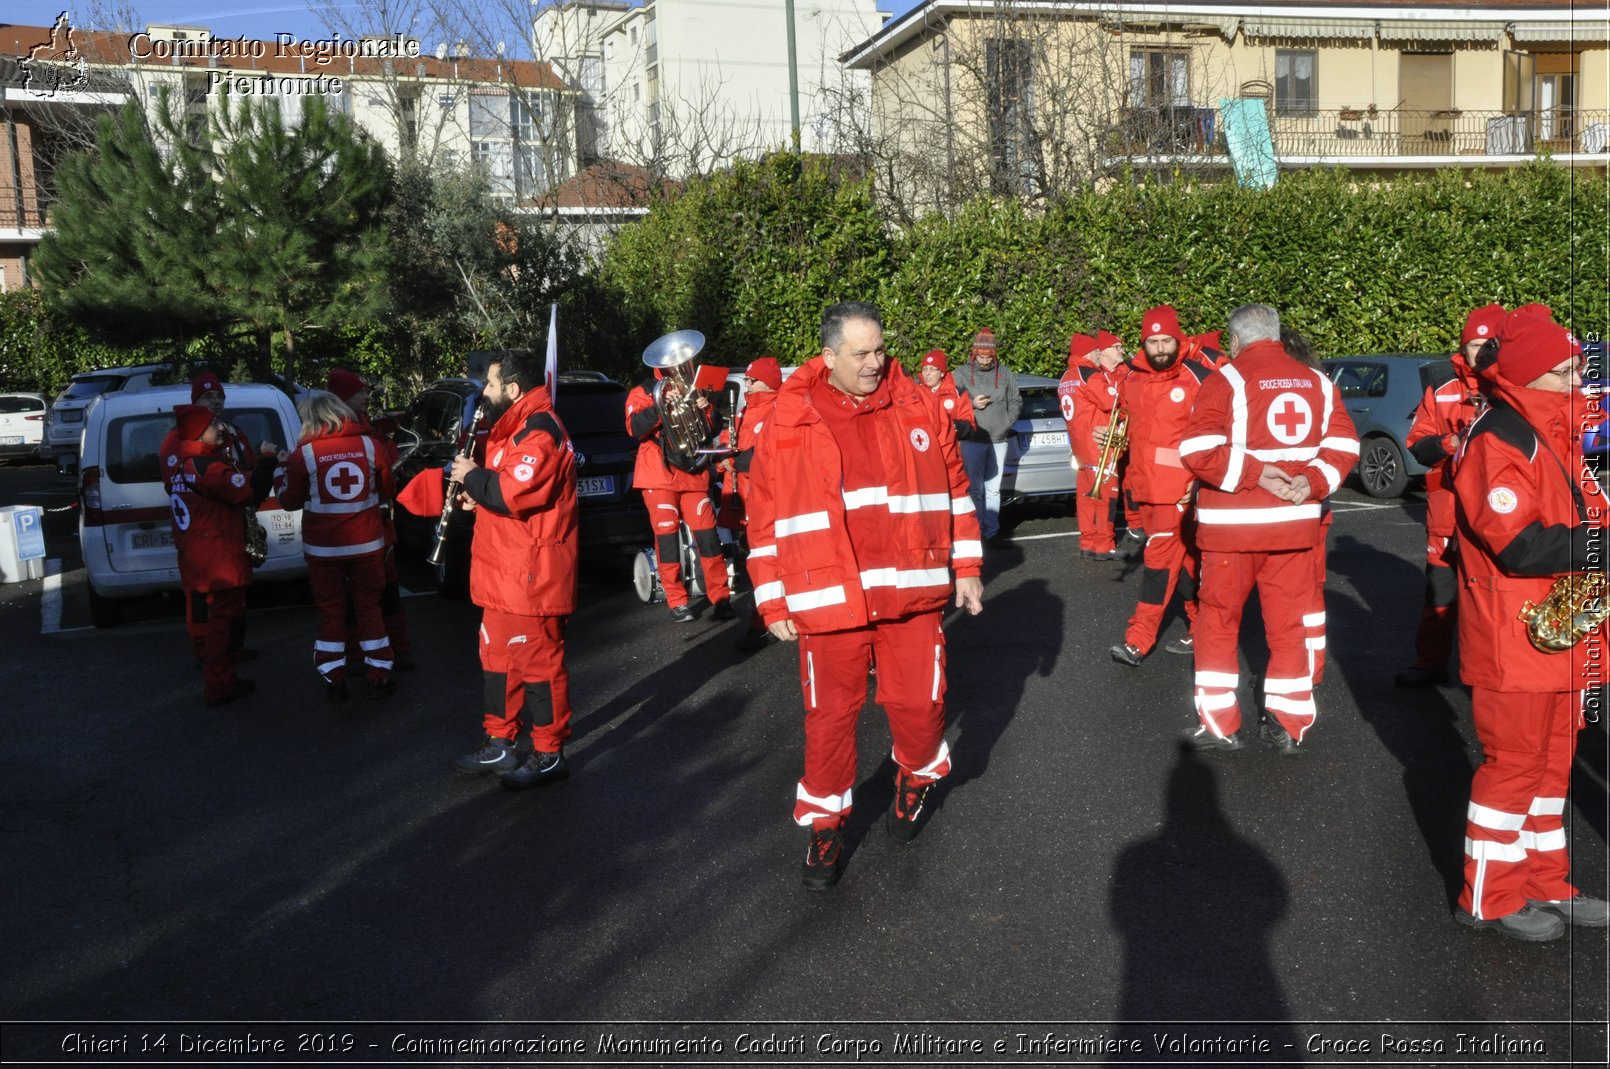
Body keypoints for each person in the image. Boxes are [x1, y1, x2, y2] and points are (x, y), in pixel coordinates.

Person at [745, 301, 984, 891]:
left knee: (922, 711)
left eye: (880, 349)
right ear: (829, 357)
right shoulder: (787, 417)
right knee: (828, 723)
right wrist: (773, 599)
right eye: (861, 354)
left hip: (913, 595)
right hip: (828, 601)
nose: (876, 363)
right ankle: (825, 827)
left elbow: (955, 486)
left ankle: (914, 778)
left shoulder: (918, 403)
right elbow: (764, 512)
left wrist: (970, 564)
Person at [1450, 307, 1607, 941]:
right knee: (1512, 766)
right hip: (1514, 634)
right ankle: (1487, 896)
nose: (1580, 377)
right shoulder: (1498, 437)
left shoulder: (1555, 432)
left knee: (1552, 767)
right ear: (1531, 375)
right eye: (1567, 369)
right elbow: (1517, 544)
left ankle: (1545, 882)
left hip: (1560, 631)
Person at [1178, 304, 1359, 754]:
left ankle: (1223, 725)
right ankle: (1287, 723)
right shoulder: (1318, 382)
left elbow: (1198, 450)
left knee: (1218, 623)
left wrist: (1255, 472)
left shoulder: (1226, 379)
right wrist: (1313, 480)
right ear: (1277, 335)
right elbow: (1344, 445)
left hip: (1230, 534)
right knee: (1289, 627)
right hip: (1294, 529)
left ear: (1234, 341)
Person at [448, 349, 580, 790]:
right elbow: (502, 494)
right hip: (502, 570)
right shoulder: (516, 426)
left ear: (513, 388)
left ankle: (548, 752)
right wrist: (476, 497)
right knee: (496, 657)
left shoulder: (540, 430)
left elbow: (515, 491)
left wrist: (471, 478)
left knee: (539, 665)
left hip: (530, 574)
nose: (483, 393)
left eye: (490, 384)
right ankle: (500, 741)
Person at [1395, 304, 1505, 688]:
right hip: (1448, 509)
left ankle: (1488, 673)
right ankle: (1430, 664)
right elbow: (1417, 445)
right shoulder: (1442, 387)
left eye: (1490, 343)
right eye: (1475, 344)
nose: (1483, 351)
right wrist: (1453, 440)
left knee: (1492, 599)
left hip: (1497, 513)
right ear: (1463, 347)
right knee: (1439, 593)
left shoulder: (1512, 385)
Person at [1109, 306, 1215, 666]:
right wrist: (1108, 436)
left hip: (1180, 489)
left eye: (1166, 340)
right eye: (1152, 342)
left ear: (1177, 338)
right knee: (1185, 564)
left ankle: (1137, 639)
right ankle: (1203, 625)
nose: (1159, 348)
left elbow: (1218, 433)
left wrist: (1200, 480)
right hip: (1146, 490)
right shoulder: (1132, 379)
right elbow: (1125, 422)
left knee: (1157, 563)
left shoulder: (1198, 376)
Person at [274, 391, 395, 703]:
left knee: (331, 611)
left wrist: (278, 471)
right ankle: (379, 674)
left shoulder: (305, 455)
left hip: (324, 551)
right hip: (367, 544)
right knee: (370, 608)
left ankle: (334, 677)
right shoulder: (371, 445)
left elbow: (288, 501)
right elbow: (387, 489)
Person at [161, 404, 277, 706]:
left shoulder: (183, 465)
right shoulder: (207, 468)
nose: (222, 428)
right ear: (200, 432)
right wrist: (267, 460)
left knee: (216, 620)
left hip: (197, 555)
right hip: (218, 556)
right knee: (222, 623)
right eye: (214, 425)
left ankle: (223, 676)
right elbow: (250, 492)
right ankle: (219, 684)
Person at [625, 353, 735, 622]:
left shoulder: (694, 386)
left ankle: (720, 596)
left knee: (709, 537)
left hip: (693, 472)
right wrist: (662, 409)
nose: (677, 366)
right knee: (667, 538)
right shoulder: (644, 390)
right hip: (658, 474)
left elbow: (709, 430)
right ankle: (677, 600)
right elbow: (634, 427)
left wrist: (705, 409)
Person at [328, 368, 415, 671]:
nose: (366, 397)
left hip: (380, 528)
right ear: (341, 399)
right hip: (350, 535)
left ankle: (397, 649)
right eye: (359, 393)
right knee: (353, 600)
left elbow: (387, 467)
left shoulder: (371, 429)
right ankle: (355, 656)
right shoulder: (329, 434)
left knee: (389, 593)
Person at [732, 355, 783, 653]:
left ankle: (762, 624)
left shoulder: (777, 409)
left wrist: (738, 460)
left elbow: (761, 455)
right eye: (747, 379)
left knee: (767, 564)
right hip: (747, 499)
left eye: (752, 380)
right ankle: (762, 621)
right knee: (754, 564)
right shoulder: (746, 410)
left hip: (768, 501)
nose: (747, 384)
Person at [951, 328, 1021, 542]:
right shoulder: (961, 374)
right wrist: (971, 404)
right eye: (979, 355)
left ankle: (992, 532)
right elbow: (950, 404)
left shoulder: (1005, 373)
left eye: (987, 355)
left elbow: (1016, 401)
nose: (983, 359)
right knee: (974, 489)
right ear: (973, 353)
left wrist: (1007, 423)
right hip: (972, 440)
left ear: (993, 354)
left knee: (993, 490)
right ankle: (976, 533)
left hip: (999, 439)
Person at [917, 349, 977, 440]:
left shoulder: (957, 393)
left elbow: (970, 425)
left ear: (941, 373)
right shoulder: (916, 393)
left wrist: (952, 426)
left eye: (932, 369)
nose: (927, 373)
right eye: (924, 369)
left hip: (949, 447)